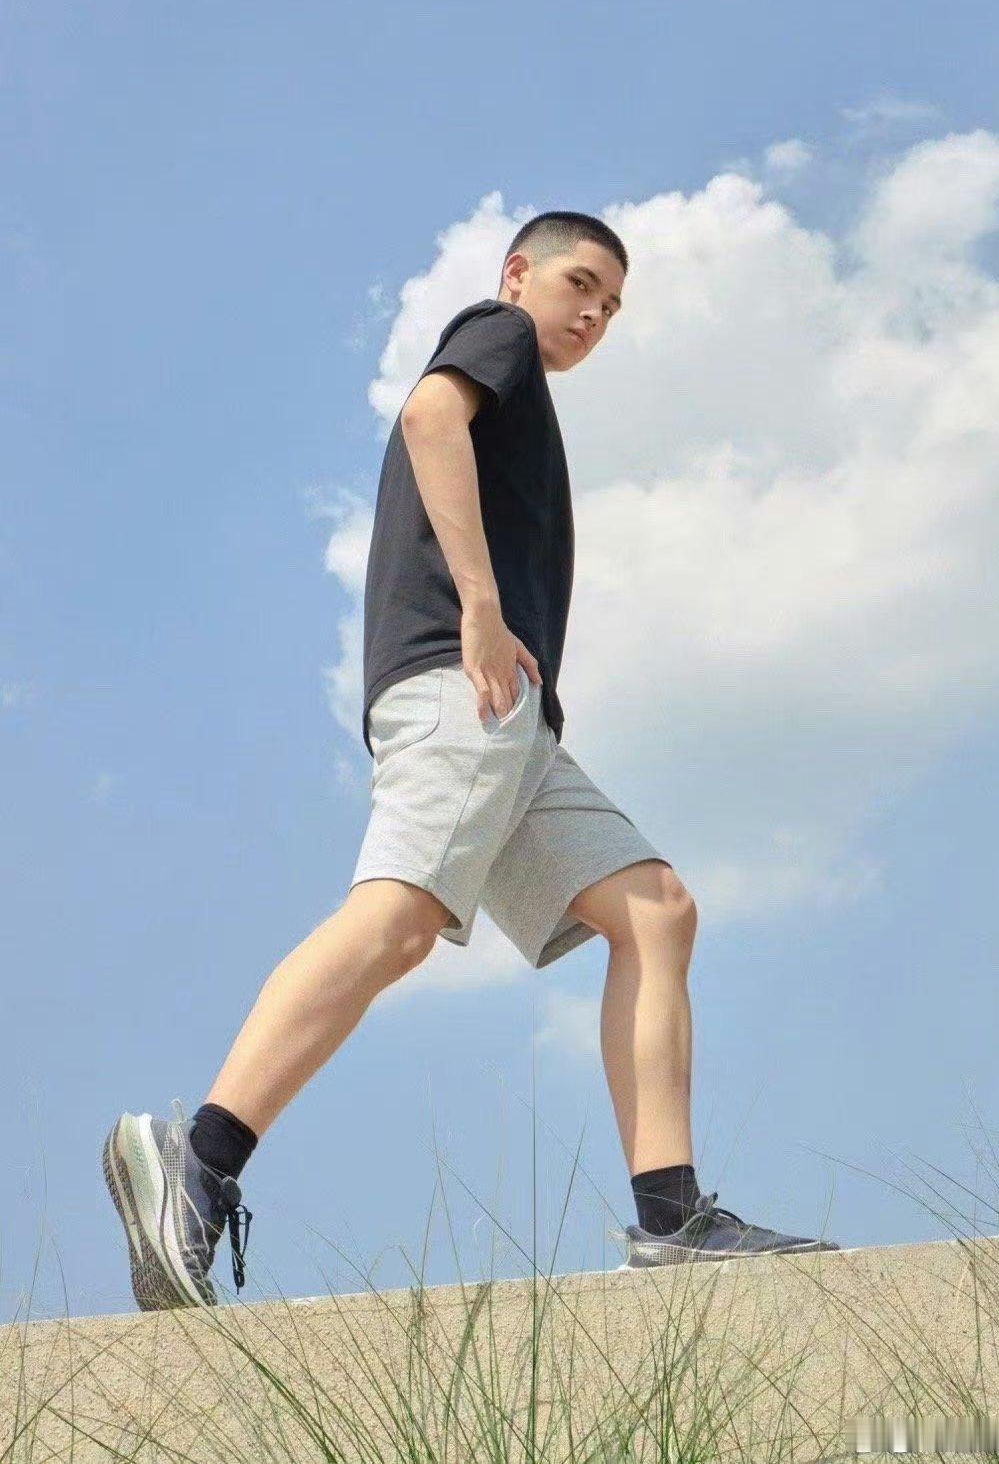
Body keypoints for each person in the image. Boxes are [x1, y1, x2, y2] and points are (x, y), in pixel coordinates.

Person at [102, 210, 839, 1311]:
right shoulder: (499, 334)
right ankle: (198, 1163)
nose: (594, 314)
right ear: (519, 273)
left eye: (613, 306)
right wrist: (483, 610)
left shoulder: (526, 387)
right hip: (467, 683)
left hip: (515, 719)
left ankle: (673, 1216)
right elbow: (428, 415)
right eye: (580, 284)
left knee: (654, 909)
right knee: (400, 919)